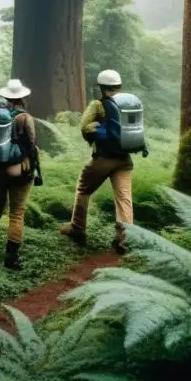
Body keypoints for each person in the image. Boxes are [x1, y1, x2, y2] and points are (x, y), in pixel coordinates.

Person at [59, 69, 136, 254]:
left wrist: (97, 132)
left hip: (103, 158)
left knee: (83, 189)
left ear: (102, 87)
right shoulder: (130, 103)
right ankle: (125, 239)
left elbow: (84, 127)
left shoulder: (98, 104)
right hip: (125, 159)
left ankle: (77, 229)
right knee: (124, 198)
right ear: (119, 86)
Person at [0, 79, 38, 270]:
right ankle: (12, 256)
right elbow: (31, 144)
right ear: (22, 96)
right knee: (16, 212)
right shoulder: (24, 118)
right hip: (19, 171)